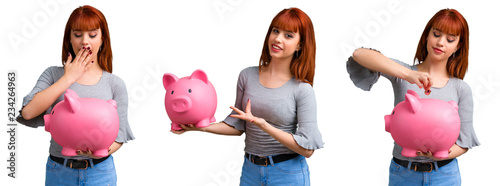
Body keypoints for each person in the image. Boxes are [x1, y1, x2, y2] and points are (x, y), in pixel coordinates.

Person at [172, 7, 323, 185]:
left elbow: (307, 150)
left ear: (300, 45)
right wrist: (199, 127)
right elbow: (237, 125)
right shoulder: (247, 76)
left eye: (288, 35)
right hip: (250, 171)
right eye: (275, 31)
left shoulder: (302, 90)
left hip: (287, 174)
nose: (277, 39)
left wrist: (263, 125)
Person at [347, 8, 479, 185]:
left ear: (458, 46)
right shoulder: (402, 74)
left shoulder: (461, 88)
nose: (440, 43)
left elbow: (464, 143)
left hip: (444, 175)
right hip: (403, 173)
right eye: (436, 34)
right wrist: (408, 74)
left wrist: (436, 155)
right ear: (427, 35)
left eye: (450, 39)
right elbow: (359, 55)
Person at [17, 5, 134, 185]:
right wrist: (69, 77)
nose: (84, 41)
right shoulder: (53, 75)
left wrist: (97, 151)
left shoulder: (115, 83)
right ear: (69, 39)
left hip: (100, 173)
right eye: (78, 35)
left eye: (92, 35)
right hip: (59, 171)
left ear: (102, 39)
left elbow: (120, 136)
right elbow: (28, 113)